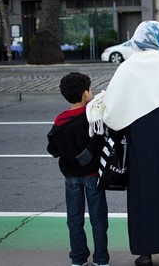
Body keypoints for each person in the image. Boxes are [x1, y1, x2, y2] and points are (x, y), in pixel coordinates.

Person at [86, 20, 159, 266]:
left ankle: (145, 253)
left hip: (141, 147)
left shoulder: (127, 69)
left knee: (144, 199)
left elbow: (112, 111)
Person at [47, 72, 109, 266]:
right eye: (90, 89)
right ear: (85, 94)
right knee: (98, 220)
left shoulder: (60, 120)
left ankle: (78, 258)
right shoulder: (93, 117)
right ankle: (101, 259)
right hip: (93, 175)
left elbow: (53, 149)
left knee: (74, 219)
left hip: (71, 177)